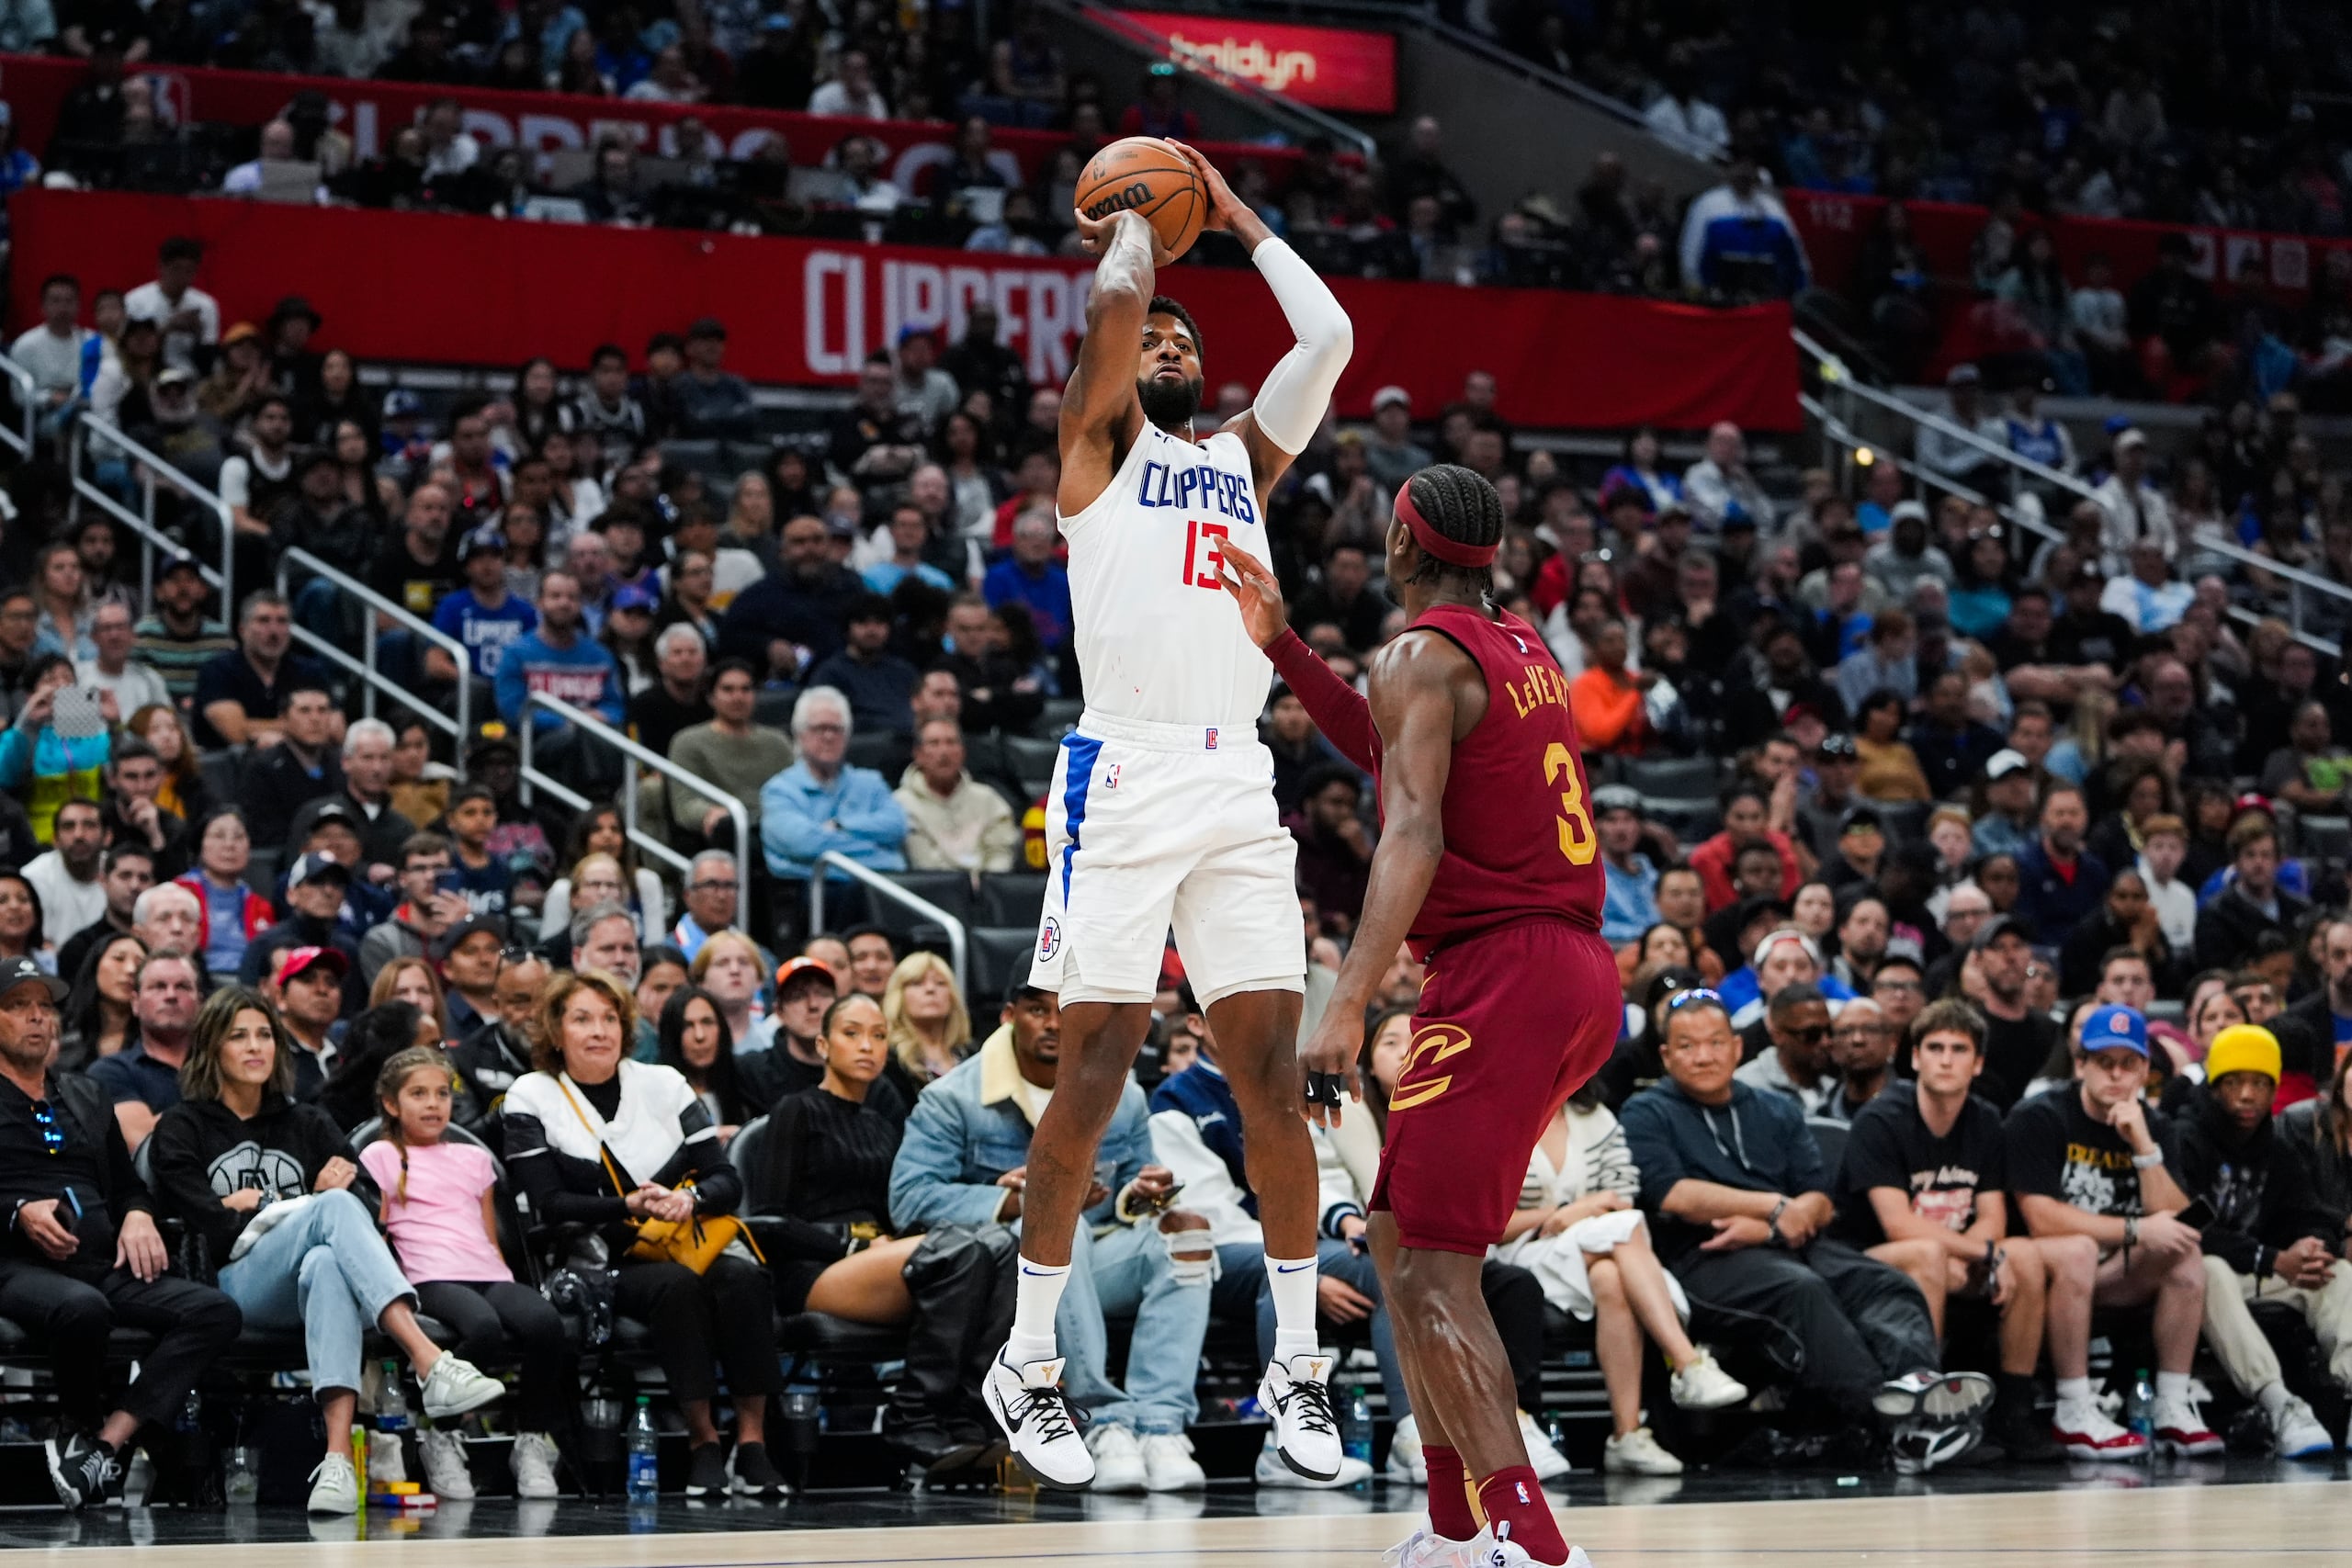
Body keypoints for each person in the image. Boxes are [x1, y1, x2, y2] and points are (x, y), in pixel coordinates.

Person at [971, 140, 1352, 1497]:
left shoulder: (1244, 457)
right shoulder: (1093, 446)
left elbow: (1331, 331)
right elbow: (1121, 309)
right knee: (1092, 1073)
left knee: (1274, 1081)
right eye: (1158, 337)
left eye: (1193, 337)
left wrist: (1237, 216)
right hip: (1122, 774)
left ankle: (1299, 1366)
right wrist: (1130, 225)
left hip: (1238, 779)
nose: (1173, 342)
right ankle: (1026, 1360)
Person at [1224, 462, 1617, 1568]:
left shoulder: (1412, 654)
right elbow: (1406, 757)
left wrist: (1342, 1004)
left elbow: (1412, 834)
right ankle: (1450, 1529)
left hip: (1501, 971)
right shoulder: (1517, 645)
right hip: (1570, 968)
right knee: (1400, 1241)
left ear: (1401, 547)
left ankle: (1531, 1545)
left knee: (1435, 1274)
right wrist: (1284, 649)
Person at [147, 987, 506, 1513]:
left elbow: (365, 1203)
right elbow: (212, 1225)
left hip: (306, 1284)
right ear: (212, 1049)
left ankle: (336, 1462)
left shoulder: (307, 1122)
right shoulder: (183, 1126)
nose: (255, 1047)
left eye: (265, 1035)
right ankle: (428, 1360)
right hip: (230, 1288)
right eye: (238, 1036)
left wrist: (264, 1203)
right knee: (329, 1209)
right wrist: (304, 1200)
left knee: (327, 1262)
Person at [1621, 990, 1995, 1474]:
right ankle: (1896, 1426)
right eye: (1688, 1046)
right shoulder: (1645, 1111)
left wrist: (1775, 1223)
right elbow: (1673, 1195)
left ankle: (1918, 1384)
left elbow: (1819, 1196)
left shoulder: (1775, 1109)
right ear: (1667, 1056)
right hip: (1702, 1256)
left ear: (1737, 1048)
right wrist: (1775, 1208)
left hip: (1791, 1242)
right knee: (1803, 1291)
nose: (1704, 1055)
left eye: (1715, 1042)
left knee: (1885, 1281)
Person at [892, 961, 1215, 1493]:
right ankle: (1101, 1421)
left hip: (1097, 1267)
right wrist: (1013, 1204)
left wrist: (1138, 1195)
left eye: (1065, 1009)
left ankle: (1160, 1426)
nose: (1053, 1023)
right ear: (1008, 1016)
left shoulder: (1124, 1095)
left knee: (1188, 1234)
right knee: (1060, 1222)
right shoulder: (953, 1098)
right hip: (1009, 1277)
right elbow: (909, 1198)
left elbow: (1130, 1187)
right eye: (1038, 1010)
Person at [503, 969, 786, 1497]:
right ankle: (704, 1443)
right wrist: (625, 1204)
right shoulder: (531, 1094)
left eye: (609, 1018)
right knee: (674, 1289)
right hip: (593, 1261)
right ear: (555, 1030)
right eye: (582, 1019)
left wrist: (690, 1199)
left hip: (683, 1241)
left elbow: (726, 1178)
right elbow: (549, 1202)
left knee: (744, 1280)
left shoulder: (664, 1084)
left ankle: (752, 1446)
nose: (599, 1031)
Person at [0, 953, 240, 1513]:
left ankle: (104, 1443)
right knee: (83, 1309)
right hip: (16, 1265)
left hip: (99, 1262)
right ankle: (76, 1426)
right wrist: (17, 1210)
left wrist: (137, 1215)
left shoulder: (83, 1095)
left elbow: (130, 1185)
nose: (38, 1017)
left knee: (216, 1311)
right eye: (18, 1006)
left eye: (44, 1006)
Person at [1838, 1001, 2103, 1461]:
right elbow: (1897, 1224)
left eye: (1958, 1049)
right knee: (1928, 1254)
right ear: (1915, 1057)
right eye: (1935, 1048)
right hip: (1867, 1260)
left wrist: (1984, 1254)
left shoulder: (1984, 1120)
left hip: (1956, 1258)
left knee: (2022, 1253)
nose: (1946, 1059)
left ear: (1977, 1063)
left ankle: (2015, 1412)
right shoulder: (1880, 1120)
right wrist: (1979, 1253)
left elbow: (1992, 1219)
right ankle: (1926, 1419)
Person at [1494, 1078, 1748, 1475]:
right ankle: (1687, 1362)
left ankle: (1627, 1435)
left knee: (1612, 1276)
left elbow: (1622, 1195)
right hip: (1517, 1255)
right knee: (1624, 1231)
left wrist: (1579, 1215)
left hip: (1595, 1247)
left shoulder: (1595, 1117)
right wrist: (1561, 1214)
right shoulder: (1494, 1118)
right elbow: (1486, 1221)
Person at [2006, 1004, 2222, 1455]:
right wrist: (2134, 1230)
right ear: (2081, 1064)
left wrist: (2144, 1148)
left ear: (2145, 1070)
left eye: (2129, 1064)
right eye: (2105, 1063)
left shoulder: (2155, 1125)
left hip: (2114, 1274)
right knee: (2079, 1250)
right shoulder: (2041, 1116)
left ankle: (2171, 1405)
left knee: (2187, 1254)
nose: (2116, 1076)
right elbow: (2039, 1218)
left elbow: (2181, 1225)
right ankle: (2073, 1408)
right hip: (2040, 1270)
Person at [361, 1046, 566, 1499]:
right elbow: (373, 1236)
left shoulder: (475, 1160)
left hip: (485, 1270)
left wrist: (503, 1274)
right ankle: (441, 1435)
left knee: (546, 1324)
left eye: (442, 1093)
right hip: (427, 1275)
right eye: (419, 1094)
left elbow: (491, 1235)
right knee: (484, 1329)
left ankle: (530, 1441)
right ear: (392, 1103)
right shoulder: (378, 1155)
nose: (434, 1104)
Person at [2168, 1024, 2348, 1458]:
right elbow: (2190, 1230)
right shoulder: (2185, 1137)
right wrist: (2271, 1258)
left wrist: (2312, 1246)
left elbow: (2311, 1213)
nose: (2247, 1095)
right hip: (2199, 1277)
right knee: (2207, 1269)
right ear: (2215, 1088)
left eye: (2259, 1083)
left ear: (2273, 1091)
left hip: (2263, 1270)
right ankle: (2279, 1403)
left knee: (2337, 1272)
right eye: (2234, 1082)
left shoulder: (2276, 1147)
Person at [759, 686, 908, 908]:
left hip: (879, 889)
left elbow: (897, 826)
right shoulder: (780, 790)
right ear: (800, 735)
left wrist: (840, 826)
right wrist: (879, 854)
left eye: (836, 729)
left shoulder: (870, 782)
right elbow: (804, 844)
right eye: (819, 728)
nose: (829, 736)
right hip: (815, 894)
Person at [86, 949, 200, 1150]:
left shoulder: (222, 1065)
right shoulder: (110, 1071)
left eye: (182, 986)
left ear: (200, 1001)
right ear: (135, 1002)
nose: (171, 995)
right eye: (158, 987)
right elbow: (142, 1143)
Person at [896, 716, 1018, 874]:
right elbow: (924, 864)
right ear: (918, 754)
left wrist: (988, 886)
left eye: (951, 742)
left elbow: (1001, 854)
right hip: (931, 891)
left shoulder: (988, 799)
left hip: (989, 892)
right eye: (934, 743)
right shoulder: (901, 803)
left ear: (962, 752)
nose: (944, 752)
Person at [22, 797, 105, 951]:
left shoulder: (122, 873)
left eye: (89, 825)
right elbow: (38, 944)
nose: (79, 835)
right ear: (55, 839)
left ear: (107, 836)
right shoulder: (34, 877)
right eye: (68, 826)